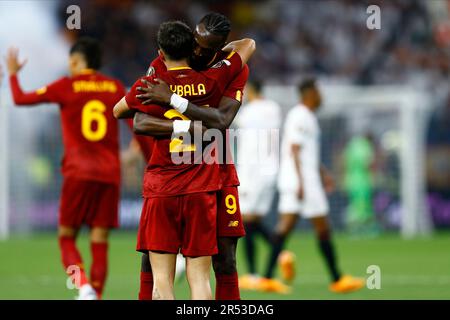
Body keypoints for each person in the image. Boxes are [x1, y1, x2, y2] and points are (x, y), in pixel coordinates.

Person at [113, 20, 255, 300]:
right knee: (194, 273)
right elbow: (248, 45)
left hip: (194, 177)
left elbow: (129, 115)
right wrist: (188, 126)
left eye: (207, 49)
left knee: (218, 260)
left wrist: (173, 100)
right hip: (199, 181)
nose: (199, 53)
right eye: (196, 45)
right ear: (191, 40)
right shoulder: (210, 82)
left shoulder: (160, 79)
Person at [5, 38, 128, 300]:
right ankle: (97, 295)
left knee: (66, 238)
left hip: (78, 173)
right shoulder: (115, 87)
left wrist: (14, 75)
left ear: (74, 61)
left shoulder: (66, 86)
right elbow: (136, 125)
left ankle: (83, 286)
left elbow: (20, 99)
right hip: (109, 173)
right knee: (100, 241)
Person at [262, 78, 364, 293]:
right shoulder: (300, 115)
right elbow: (295, 149)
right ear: (309, 94)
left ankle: (267, 277)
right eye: (318, 91)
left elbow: (306, 153)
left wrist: (324, 173)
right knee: (323, 227)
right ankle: (337, 278)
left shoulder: (306, 116)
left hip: (301, 179)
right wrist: (301, 181)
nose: (321, 96)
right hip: (302, 182)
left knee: (285, 227)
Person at [233, 80, 281, 288]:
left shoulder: (248, 112)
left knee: (244, 221)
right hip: (271, 171)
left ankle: (252, 273)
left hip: (252, 171)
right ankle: (281, 251)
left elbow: (225, 119)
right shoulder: (274, 109)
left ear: (250, 91)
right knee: (254, 220)